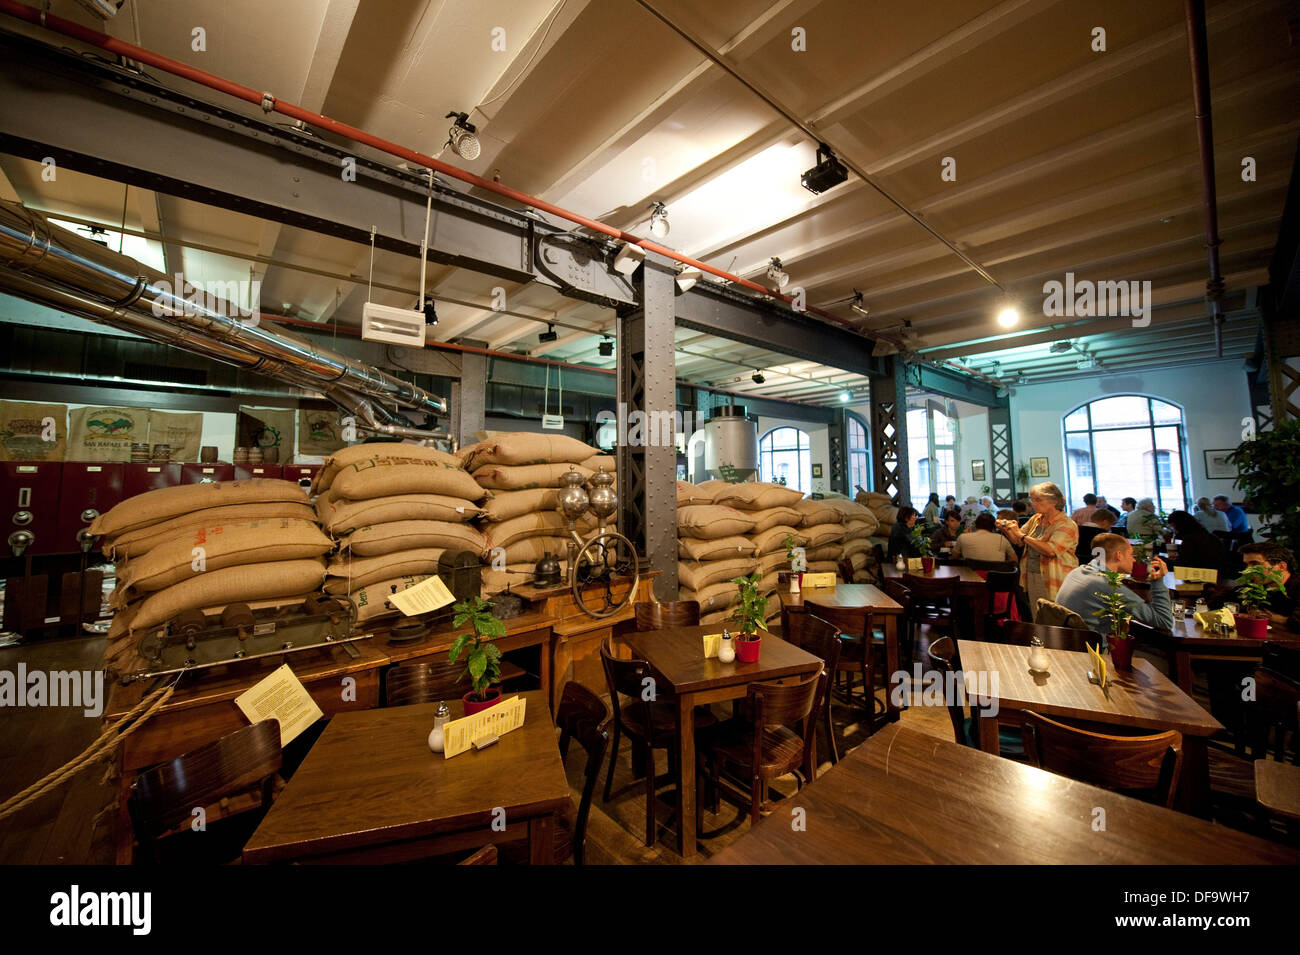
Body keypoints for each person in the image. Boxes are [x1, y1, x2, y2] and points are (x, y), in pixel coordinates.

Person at [1055, 534, 1172, 641]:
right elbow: (1164, 621)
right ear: (1119, 555)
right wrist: (1157, 581)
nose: (1134, 560)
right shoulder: (1107, 584)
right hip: (1094, 653)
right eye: (1131, 554)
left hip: (1066, 644)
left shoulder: (1077, 572)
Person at [997, 481, 1079, 607]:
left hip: (1055, 575)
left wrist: (1021, 535)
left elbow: (1051, 551)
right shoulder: (1036, 518)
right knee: (1037, 614)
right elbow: (1018, 541)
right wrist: (1007, 529)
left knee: (1052, 617)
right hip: (1033, 572)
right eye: (1033, 500)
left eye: (1038, 500)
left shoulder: (1066, 524)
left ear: (1054, 501)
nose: (1033, 504)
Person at [1236, 542, 1300, 628]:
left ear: (1281, 566)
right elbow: (1220, 603)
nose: (1248, 570)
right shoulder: (1254, 584)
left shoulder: (1297, 586)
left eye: (1255, 564)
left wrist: (1275, 618)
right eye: (1247, 565)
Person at [1166, 510, 1228, 576]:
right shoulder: (1207, 535)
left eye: (1173, 527)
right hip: (1217, 572)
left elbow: (1183, 563)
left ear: (1179, 526)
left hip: (1201, 574)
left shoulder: (1189, 539)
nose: (1174, 531)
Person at [953, 511, 1017, 564]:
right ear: (993, 526)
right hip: (996, 576)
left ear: (976, 524)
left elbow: (954, 556)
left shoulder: (963, 537)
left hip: (970, 576)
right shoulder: (1001, 538)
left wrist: (966, 536)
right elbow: (1015, 560)